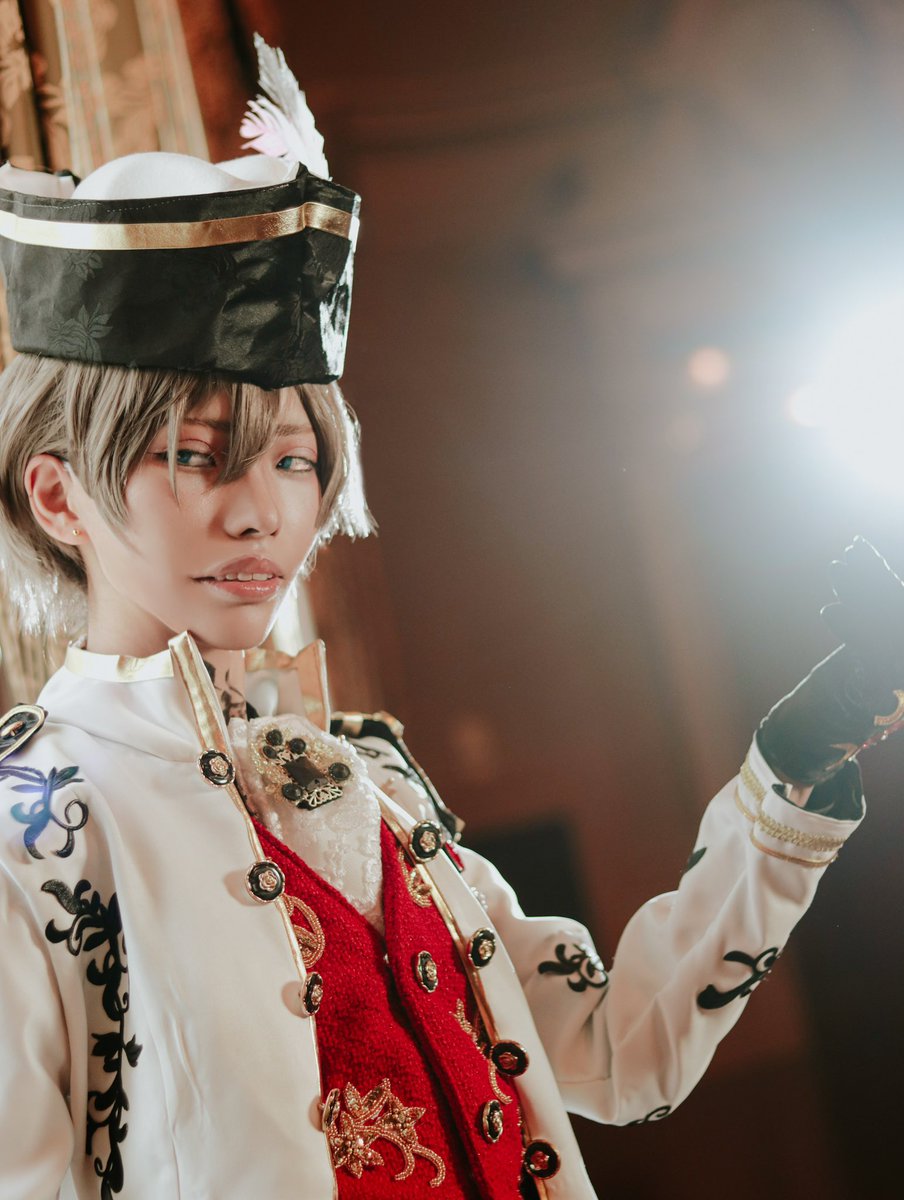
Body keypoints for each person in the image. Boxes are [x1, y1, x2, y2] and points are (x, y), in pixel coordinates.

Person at [0, 37, 900, 1200]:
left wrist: (784, 778)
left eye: (292, 458)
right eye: (195, 455)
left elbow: (619, 1055)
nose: (261, 512)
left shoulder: (360, 781)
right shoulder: (30, 838)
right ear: (58, 496)